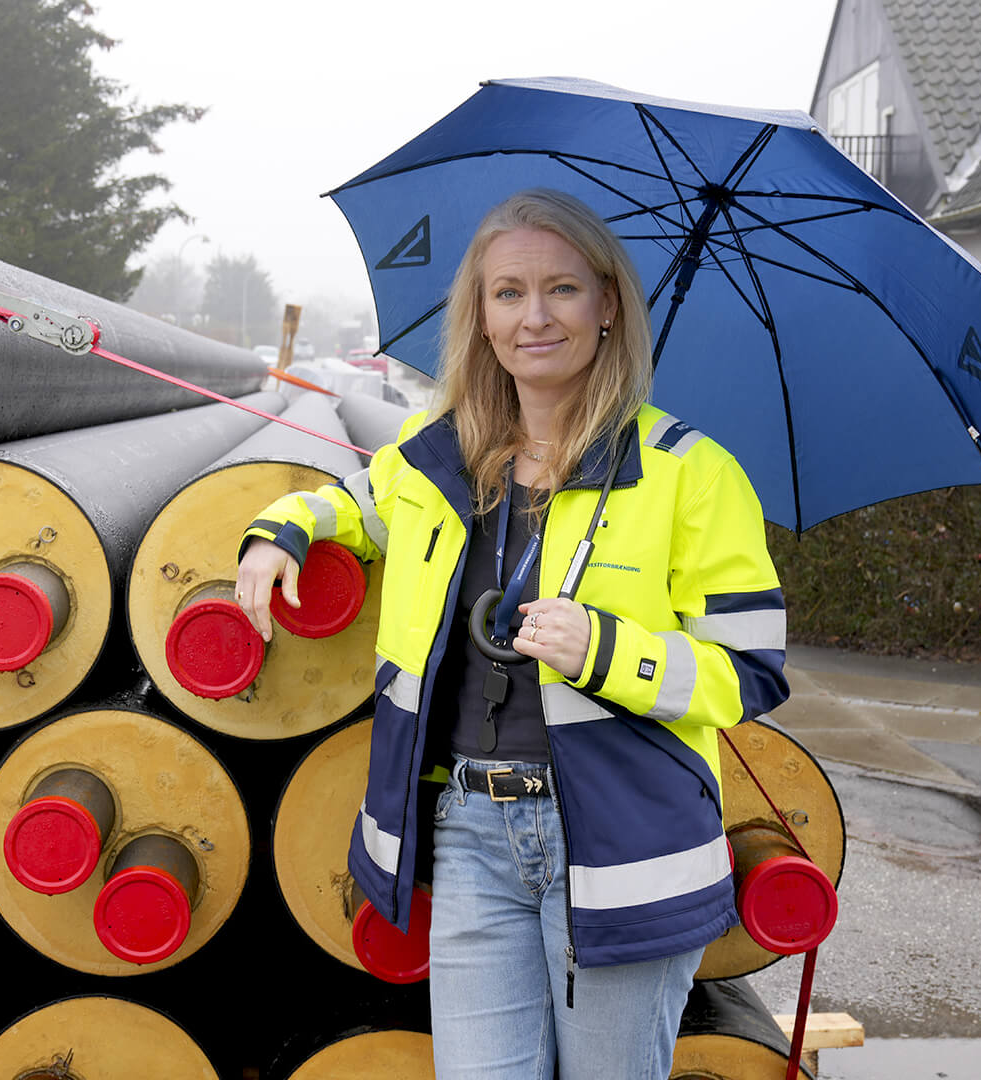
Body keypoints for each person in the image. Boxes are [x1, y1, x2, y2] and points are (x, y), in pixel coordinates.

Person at [234, 189, 789, 1079]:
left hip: (620, 842)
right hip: (470, 830)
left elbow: (751, 670)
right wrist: (281, 529)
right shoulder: (437, 456)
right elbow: (356, 505)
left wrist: (608, 652)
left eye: (563, 289)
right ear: (480, 318)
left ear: (608, 306)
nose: (535, 316)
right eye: (508, 293)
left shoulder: (689, 472)